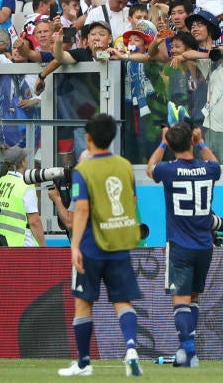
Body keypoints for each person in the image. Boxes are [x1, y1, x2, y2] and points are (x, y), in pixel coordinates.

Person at [60, 113, 144, 377]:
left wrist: (75, 246)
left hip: (92, 246)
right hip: (118, 243)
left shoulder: (83, 170)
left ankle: (84, 363)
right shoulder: (124, 165)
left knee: (84, 303)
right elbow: (131, 197)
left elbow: (82, 210)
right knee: (122, 300)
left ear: (87, 138)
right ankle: (131, 348)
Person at [148, 121, 221, 367]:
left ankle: (189, 353)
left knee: (180, 302)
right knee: (193, 299)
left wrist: (162, 142)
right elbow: (216, 165)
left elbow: (150, 169)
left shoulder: (168, 170)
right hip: (204, 246)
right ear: (192, 140)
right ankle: (186, 350)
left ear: (171, 144)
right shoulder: (207, 169)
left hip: (180, 246)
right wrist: (201, 143)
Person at [0, 146, 46, 247]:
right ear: (23, 162)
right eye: (25, 157)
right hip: (21, 243)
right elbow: (34, 221)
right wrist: (44, 247)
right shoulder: (26, 185)